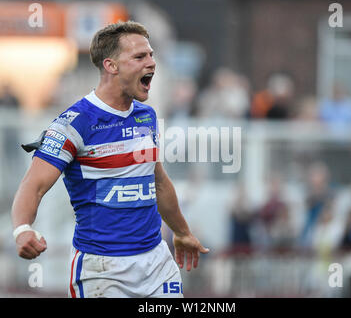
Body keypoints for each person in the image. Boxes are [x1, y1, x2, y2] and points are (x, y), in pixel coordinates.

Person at [11, 20, 209, 298]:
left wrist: (182, 232)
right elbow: (33, 185)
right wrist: (22, 229)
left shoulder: (146, 115)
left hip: (156, 263)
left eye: (151, 55)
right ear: (111, 66)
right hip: (102, 270)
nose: (151, 63)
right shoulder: (74, 124)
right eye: (140, 56)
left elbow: (158, 181)